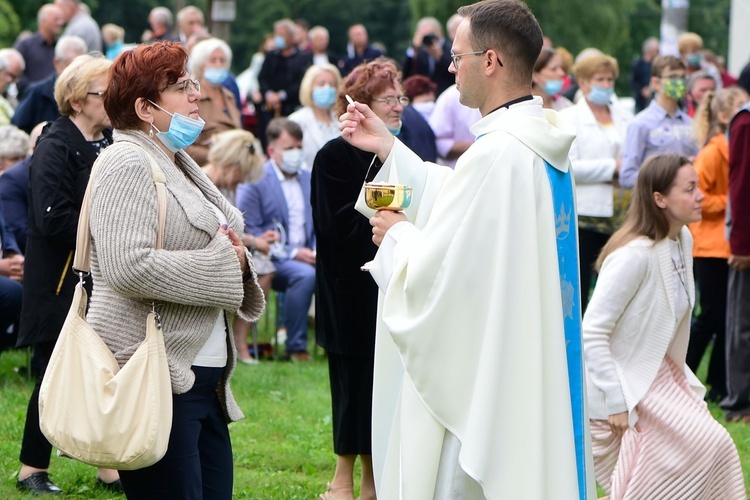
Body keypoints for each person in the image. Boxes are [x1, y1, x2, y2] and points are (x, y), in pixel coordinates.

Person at [340, 1, 593, 497]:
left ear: (491, 61)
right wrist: (392, 152)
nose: (450, 68)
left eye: (458, 57)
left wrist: (397, 239)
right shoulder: (540, 141)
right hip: (523, 353)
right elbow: (465, 208)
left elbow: (446, 278)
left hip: (484, 373)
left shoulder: (499, 154)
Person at [88, 41, 264, 497]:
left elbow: (232, 238)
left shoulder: (176, 159)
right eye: (180, 86)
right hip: (156, 376)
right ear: (145, 107)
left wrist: (238, 257)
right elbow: (128, 266)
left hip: (201, 377)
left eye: (193, 83)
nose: (195, 95)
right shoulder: (124, 161)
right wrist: (230, 268)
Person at [583, 153, 745, 498]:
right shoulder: (633, 256)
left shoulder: (682, 240)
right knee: (696, 451)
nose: (700, 195)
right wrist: (615, 400)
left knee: (716, 447)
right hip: (625, 384)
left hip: (662, 375)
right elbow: (593, 332)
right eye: (690, 189)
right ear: (659, 199)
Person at [14, 53, 119, 495]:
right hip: (59, 283)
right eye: (103, 93)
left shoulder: (108, 140)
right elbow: (52, 218)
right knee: (53, 375)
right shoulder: (55, 144)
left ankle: (108, 467)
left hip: (100, 281)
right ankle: (30, 469)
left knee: (105, 372)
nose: (111, 100)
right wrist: (112, 231)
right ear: (77, 100)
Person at [311, 58, 415, 500]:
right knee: (349, 384)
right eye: (387, 99)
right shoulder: (332, 156)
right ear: (361, 105)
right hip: (346, 288)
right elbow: (331, 227)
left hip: (390, 283)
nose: (397, 107)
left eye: (400, 98)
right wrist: (382, 225)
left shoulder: (400, 155)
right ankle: (342, 478)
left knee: (382, 384)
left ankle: (374, 481)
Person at [686, 87, 749, 403]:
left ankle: (719, 383)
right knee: (709, 318)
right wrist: (732, 203)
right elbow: (698, 195)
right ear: (724, 115)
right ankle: (684, 374)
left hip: (723, 246)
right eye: (739, 106)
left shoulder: (731, 146)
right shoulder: (712, 152)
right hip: (709, 246)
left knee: (726, 320)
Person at [237, 118, 315, 362]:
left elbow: (321, 222)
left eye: (299, 147)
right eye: (289, 148)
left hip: (311, 254)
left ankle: (339, 344)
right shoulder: (255, 180)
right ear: (272, 150)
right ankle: (296, 347)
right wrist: (293, 253)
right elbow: (249, 229)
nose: (296, 153)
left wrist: (316, 250)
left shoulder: (309, 178)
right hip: (272, 258)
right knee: (304, 275)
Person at [559, 53, 633, 310]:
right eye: (599, 79)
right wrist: (613, 168)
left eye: (609, 79)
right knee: (582, 283)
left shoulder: (624, 116)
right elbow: (569, 166)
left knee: (615, 287)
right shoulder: (570, 118)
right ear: (583, 81)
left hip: (623, 212)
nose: (605, 84)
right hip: (587, 214)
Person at [201, 129, 277, 364]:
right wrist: (254, 241)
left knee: (264, 267)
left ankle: (237, 338)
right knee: (261, 267)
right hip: (207, 255)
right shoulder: (203, 186)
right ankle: (236, 339)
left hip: (226, 250)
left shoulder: (226, 189)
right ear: (231, 165)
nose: (242, 181)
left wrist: (253, 239)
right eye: (242, 174)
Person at [620, 55, 698, 188]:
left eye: (683, 77)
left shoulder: (691, 124)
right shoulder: (640, 123)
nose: (679, 82)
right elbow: (627, 177)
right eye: (672, 77)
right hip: (655, 203)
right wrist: (668, 177)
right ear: (656, 83)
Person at [721, 93, 750, 422]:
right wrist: (741, 244)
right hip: (747, 242)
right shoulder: (745, 121)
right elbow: (741, 186)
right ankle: (740, 402)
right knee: (743, 323)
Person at [11, 35, 87, 134]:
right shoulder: (37, 92)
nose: (77, 71)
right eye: (71, 65)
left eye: (82, 66)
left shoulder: (89, 93)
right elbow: (16, 129)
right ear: (57, 63)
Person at [185, 38, 241, 166]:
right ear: (200, 65)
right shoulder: (191, 96)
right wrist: (216, 156)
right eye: (213, 60)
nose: (218, 65)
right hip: (204, 171)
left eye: (222, 60)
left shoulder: (229, 96)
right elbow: (183, 146)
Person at [288, 64, 342, 169]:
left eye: (332, 85)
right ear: (310, 88)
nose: (327, 88)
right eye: (321, 84)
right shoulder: (296, 121)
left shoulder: (341, 119)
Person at [13, 3, 63, 98]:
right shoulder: (26, 45)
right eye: (56, 19)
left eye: (61, 19)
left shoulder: (61, 48)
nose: (60, 23)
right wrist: (36, 91)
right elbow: (16, 73)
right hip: (29, 102)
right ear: (44, 21)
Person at [402, 17, 454, 97]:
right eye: (424, 36)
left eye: (430, 34)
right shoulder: (420, 53)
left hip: (447, 94)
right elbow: (407, 75)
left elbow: (453, 73)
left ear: (440, 33)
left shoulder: (450, 48)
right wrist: (413, 49)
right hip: (425, 97)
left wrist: (439, 57)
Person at [630, 37, 658, 113]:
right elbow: (633, 81)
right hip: (640, 101)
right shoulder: (637, 64)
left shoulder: (656, 64)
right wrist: (642, 90)